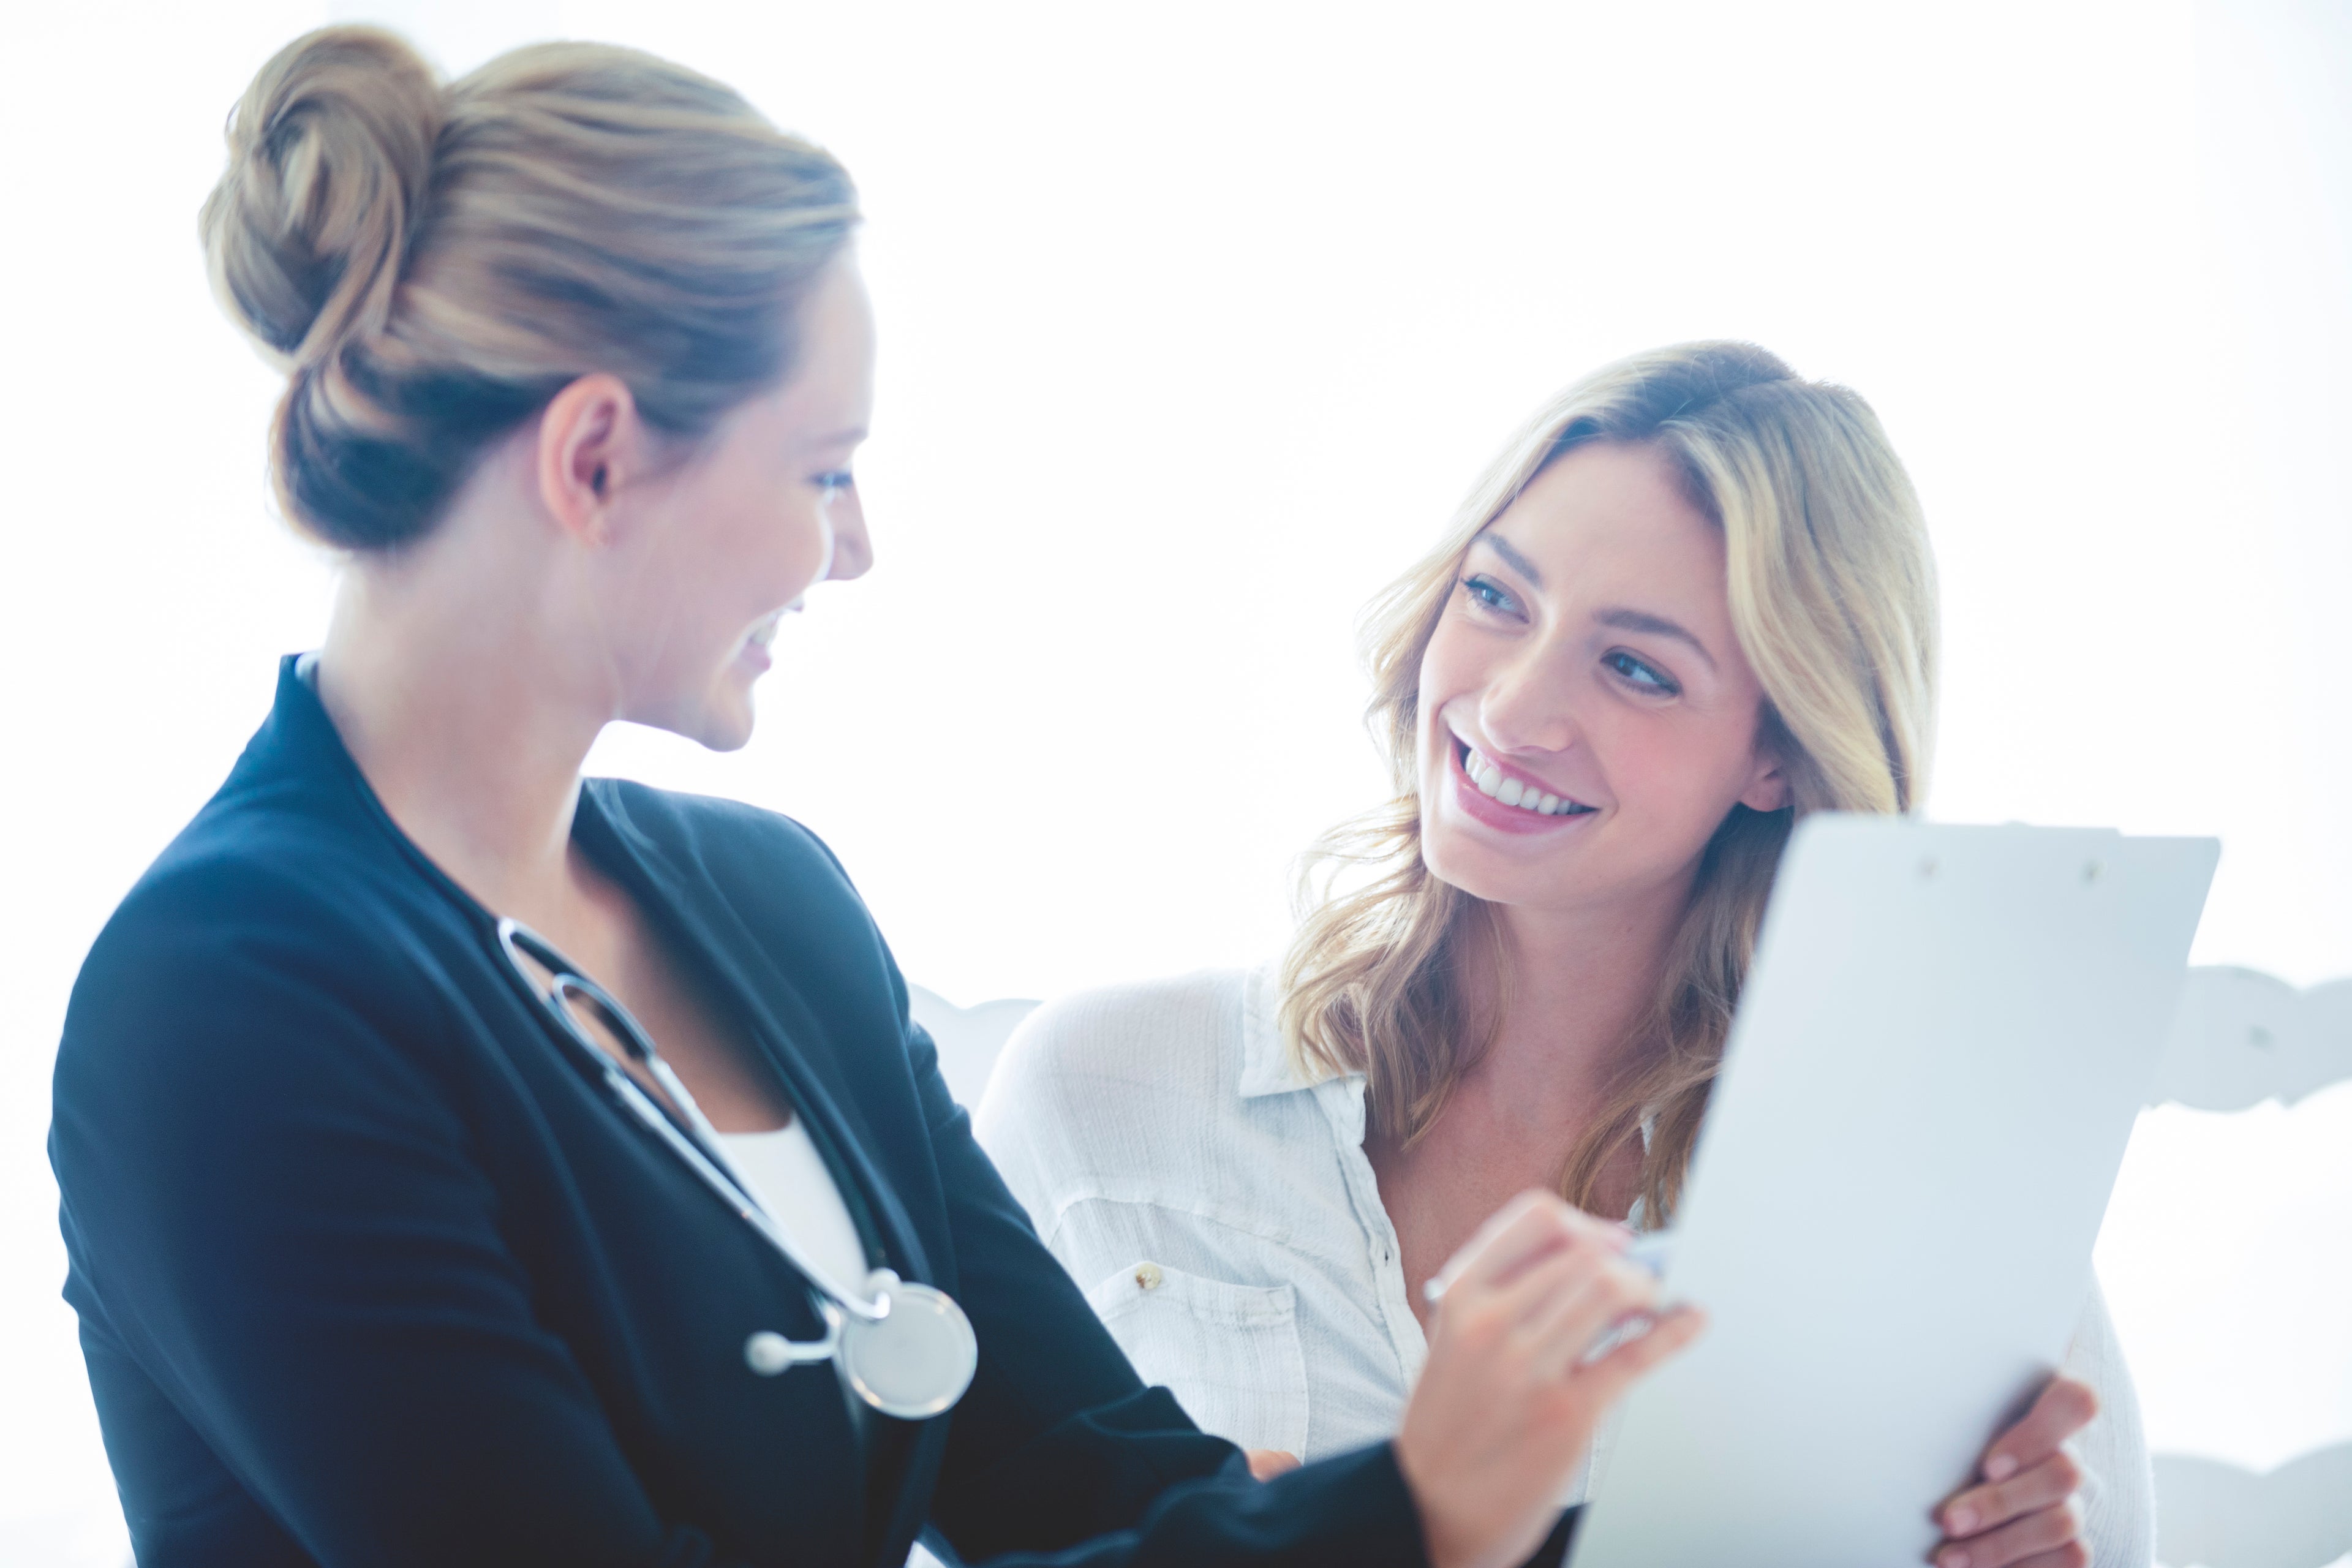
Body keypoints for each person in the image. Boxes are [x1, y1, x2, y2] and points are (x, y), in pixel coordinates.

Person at [46, 28, 1700, 1568]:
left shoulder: (771, 908)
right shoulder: (230, 1003)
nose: (854, 547)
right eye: (823, 468)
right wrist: (1420, 1508)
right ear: (597, 459)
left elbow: (1105, 1492)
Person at [976, 342, 2145, 1568]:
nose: (1512, 710)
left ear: (1780, 755)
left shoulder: (1929, 1201)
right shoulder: (1101, 1090)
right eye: (1496, 597)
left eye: (1636, 666)